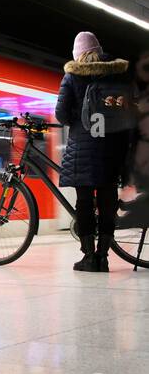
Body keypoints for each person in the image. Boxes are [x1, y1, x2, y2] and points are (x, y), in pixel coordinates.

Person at [54, 30, 132, 271]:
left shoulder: (72, 76)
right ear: (98, 51)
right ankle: (103, 257)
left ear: (78, 55)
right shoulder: (117, 76)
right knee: (107, 202)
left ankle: (89, 257)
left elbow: (61, 113)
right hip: (111, 149)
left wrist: (78, 121)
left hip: (83, 149)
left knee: (85, 203)